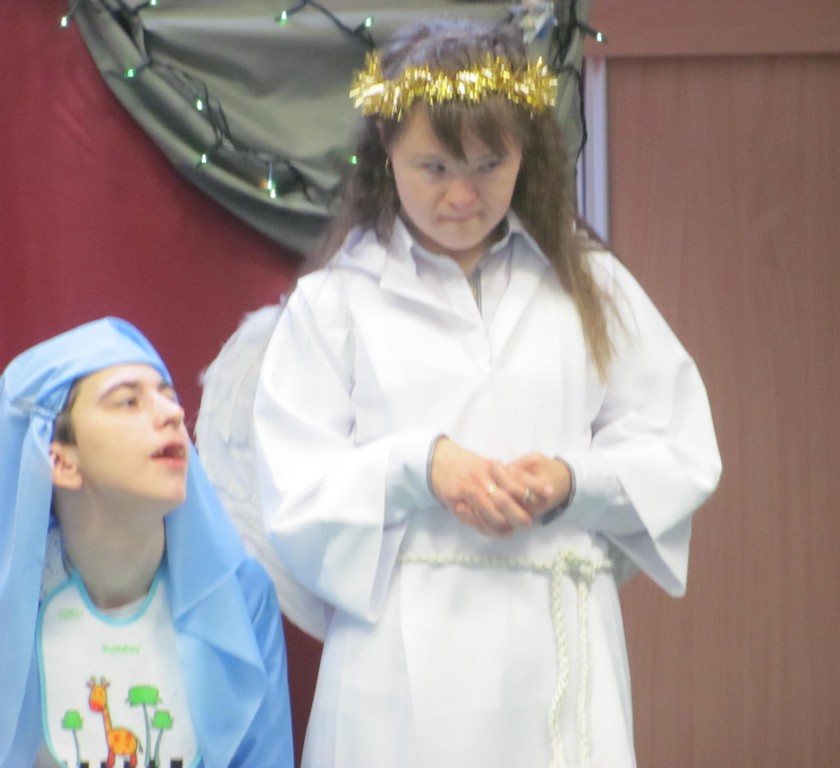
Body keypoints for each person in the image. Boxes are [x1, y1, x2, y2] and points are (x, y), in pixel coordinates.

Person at [226, 17, 720, 768]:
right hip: (398, 663)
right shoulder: (336, 303)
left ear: (526, 150)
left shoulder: (588, 285)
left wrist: (573, 480)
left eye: (489, 164)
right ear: (385, 148)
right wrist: (420, 465)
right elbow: (294, 491)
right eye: (433, 167)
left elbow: (678, 446)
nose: (462, 195)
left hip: (557, 644)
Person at [0, 317, 294, 768]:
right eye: (128, 401)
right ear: (59, 461)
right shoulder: (12, 604)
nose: (173, 414)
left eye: (168, 396)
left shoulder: (240, 594)